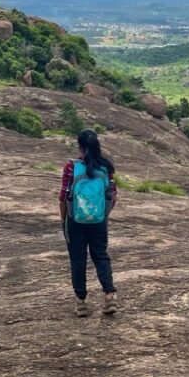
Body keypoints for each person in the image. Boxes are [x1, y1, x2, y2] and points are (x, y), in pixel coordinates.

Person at [60, 129, 118, 317]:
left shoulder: (71, 167)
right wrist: (103, 214)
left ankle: (82, 303)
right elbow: (112, 195)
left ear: (80, 146)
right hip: (99, 220)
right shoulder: (106, 167)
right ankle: (109, 296)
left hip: (75, 220)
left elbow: (63, 196)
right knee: (100, 255)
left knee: (78, 260)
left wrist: (64, 218)